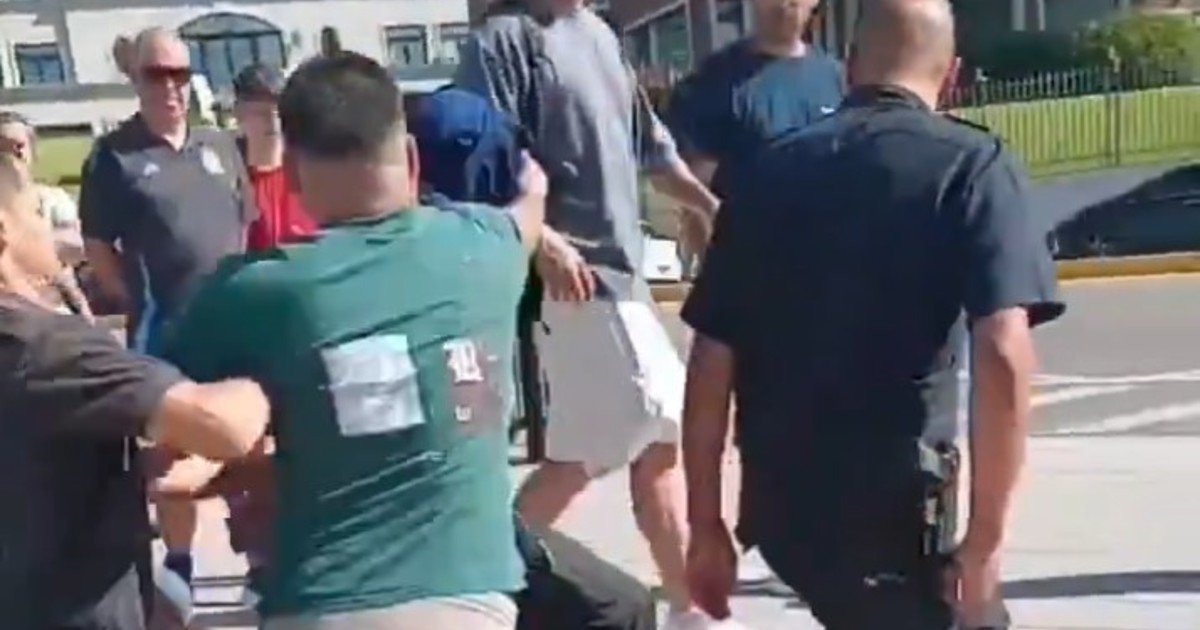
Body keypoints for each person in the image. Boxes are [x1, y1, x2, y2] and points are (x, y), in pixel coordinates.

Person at [679, 1, 1066, 628]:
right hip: (897, 508)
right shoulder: (972, 165)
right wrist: (984, 542)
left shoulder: (766, 172)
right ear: (953, 75)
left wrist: (705, 524)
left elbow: (712, 355)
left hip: (785, 507)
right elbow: (1002, 351)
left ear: (849, 67)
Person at [163, 51, 544, 630]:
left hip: (320, 603)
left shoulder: (252, 292)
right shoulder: (486, 247)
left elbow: (153, 411)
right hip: (470, 603)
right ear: (410, 156)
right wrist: (534, 177)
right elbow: (529, 211)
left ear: (292, 175)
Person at [456, 4, 727, 628]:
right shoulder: (505, 42)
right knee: (634, 433)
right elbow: (484, 160)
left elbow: (649, 144)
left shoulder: (599, 33)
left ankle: (689, 611)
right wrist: (543, 242)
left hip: (623, 278)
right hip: (577, 281)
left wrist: (709, 205)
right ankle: (479, 571)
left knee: (642, 446)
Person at [0, 152, 271, 630]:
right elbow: (223, 425)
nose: (49, 228)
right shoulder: (45, 346)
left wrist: (144, 469)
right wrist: (269, 377)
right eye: (35, 212)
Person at [78, 26, 258, 598]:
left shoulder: (220, 146)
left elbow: (245, 227)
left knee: (247, 445)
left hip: (234, 329)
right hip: (166, 334)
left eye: (181, 73)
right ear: (136, 78)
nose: (171, 86)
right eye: (158, 74)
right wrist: (133, 297)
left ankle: (257, 558)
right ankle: (180, 570)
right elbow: (98, 247)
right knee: (175, 462)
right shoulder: (114, 157)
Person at [666, 0, 843, 266]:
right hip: (750, 269)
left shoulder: (836, 78)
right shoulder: (714, 82)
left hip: (827, 266)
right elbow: (698, 199)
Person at [232, 63, 317, 251]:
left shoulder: (312, 174)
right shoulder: (226, 178)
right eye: (261, 113)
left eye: (279, 112)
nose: (273, 122)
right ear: (238, 113)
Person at [0, 111, 85, 264]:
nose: (10, 155)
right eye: (2, 148)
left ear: (33, 151)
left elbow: (77, 246)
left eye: (19, 146)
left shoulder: (54, 200)